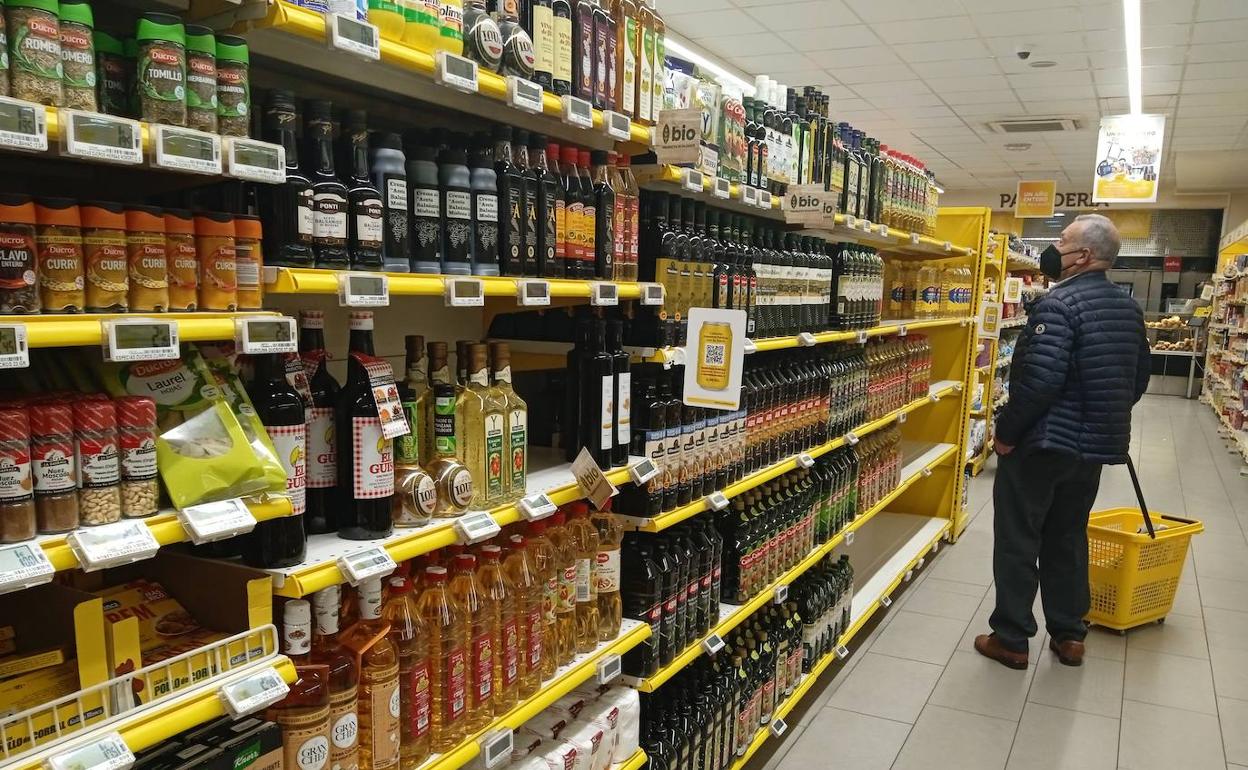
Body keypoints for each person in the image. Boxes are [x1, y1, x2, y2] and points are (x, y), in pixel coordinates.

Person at [974, 214, 1149, 670]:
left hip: (1042, 447)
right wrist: (1098, 419)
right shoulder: (1128, 308)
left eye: (1064, 241)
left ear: (1084, 256)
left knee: (1018, 538)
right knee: (1068, 536)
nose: (1057, 247)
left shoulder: (1058, 305)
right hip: (1090, 450)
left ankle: (1011, 637)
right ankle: (1070, 634)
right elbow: (1137, 380)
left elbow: (1039, 383)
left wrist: (1007, 433)